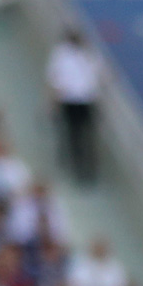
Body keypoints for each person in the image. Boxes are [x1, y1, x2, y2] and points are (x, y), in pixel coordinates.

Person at [46, 28, 101, 180]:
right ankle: (78, 167)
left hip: (84, 100)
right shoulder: (63, 54)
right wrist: (54, 102)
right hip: (71, 100)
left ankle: (87, 167)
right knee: (75, 135)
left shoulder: (87, 53)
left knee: (85, 135)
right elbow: (55, 80)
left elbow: (95, 78)